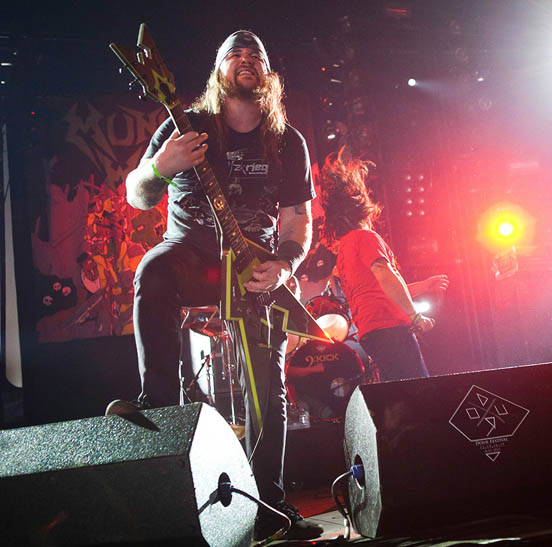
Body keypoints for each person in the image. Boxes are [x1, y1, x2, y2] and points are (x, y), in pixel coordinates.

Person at [109, 30, 322, 540]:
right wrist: (162, 167)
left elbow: (297, 222)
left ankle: (270, 504)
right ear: (218, 72)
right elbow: (137, 193)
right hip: (191, 255)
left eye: (256, 56)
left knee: (267, 390)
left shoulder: (287, 141)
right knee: (153, 271)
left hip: (253, 271)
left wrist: (286, 266)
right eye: (234, 55)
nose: (245, 60)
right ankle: (159, 403)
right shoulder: (185, 126)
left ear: (268, 76)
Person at [318, 151, 449, 382]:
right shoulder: (366, 237)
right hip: (391, 329)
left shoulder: (345, 249)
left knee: (399, 395)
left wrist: (424, 286)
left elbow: (381, 289)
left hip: (371, 332)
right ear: (363, 207)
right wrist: (414, 316)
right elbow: (383, 273)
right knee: (419, 391)